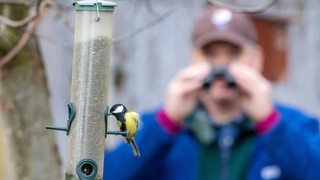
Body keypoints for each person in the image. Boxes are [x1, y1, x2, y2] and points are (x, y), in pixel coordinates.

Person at [103, 5, 320, 180]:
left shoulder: (293, 126)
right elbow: (108, 174)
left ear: (257, 59)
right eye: (209, 53)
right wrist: (165, 123)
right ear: (192, 59)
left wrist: (271, 125)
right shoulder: (163, 130)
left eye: (234, 53)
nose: (221, 66)